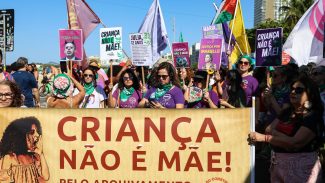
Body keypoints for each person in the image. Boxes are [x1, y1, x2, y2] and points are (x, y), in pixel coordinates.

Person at [248, 75, 324, 182]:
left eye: (299, 90)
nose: (293, 92)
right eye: (292, 89)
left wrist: (267, 138)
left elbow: (295, 143)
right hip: (278, 166)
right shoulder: (287, 111)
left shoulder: (312, 116)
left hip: (302, 170)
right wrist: (286, 138)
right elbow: (269, 129)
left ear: (310, 94)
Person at [0, 117, 50, 182]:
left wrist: (41, 153)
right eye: (32, 132)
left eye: (37, 132)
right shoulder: (9, 157)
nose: (37, 135)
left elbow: (46, 177)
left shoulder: (34, 157)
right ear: (21, 135)